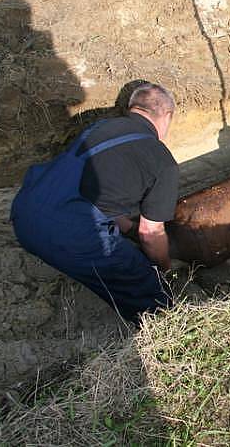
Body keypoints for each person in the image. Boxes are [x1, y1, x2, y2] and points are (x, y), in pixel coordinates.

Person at [11, 82, 180, 323]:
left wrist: (126, 229)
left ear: (132, 108)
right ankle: (163, 325)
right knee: (146, 288)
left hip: (25, 212)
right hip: (65, 232)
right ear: (167, 115)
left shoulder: (100, 127)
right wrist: (163, 269)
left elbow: (96, 193)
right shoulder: (162, 161)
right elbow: (150, 233)